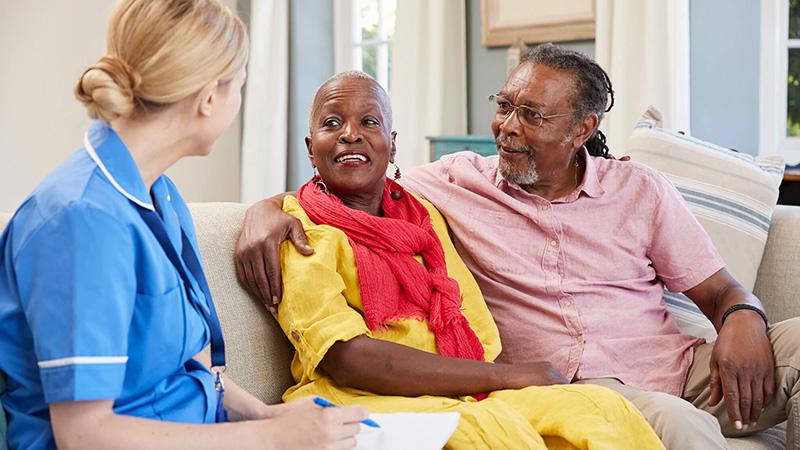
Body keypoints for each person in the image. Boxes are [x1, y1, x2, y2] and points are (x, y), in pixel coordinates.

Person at [236, 45, 800, 449]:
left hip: (682, 365)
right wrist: (262, 210)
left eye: (532, 116)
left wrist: (743, 316)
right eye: (504, 106)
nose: (507, 127)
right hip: (582, 384)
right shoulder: (453, 183)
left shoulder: (639, 189)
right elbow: (351, 181)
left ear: (582, 128)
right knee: (678, 424)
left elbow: (720, 290)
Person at [0, 1, 367, 449]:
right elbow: (84, 436)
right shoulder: (81, 222)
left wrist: (269, 414)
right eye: (240, 85)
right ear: (209, 97)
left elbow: (193, 371)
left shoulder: (163, 197)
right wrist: (270, 436)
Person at [263, 70, 663, 449]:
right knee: (489, 433)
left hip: (457, 389)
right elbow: (346, 358)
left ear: (393, 143)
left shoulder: (422, 215)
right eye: (332, 124)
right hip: (356, 396)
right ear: (310, 148)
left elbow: (475, 325)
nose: (351, 135)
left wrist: (495, 381)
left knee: (602, 409)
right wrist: (508, 377)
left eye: (369, 122)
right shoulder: (296, 229)